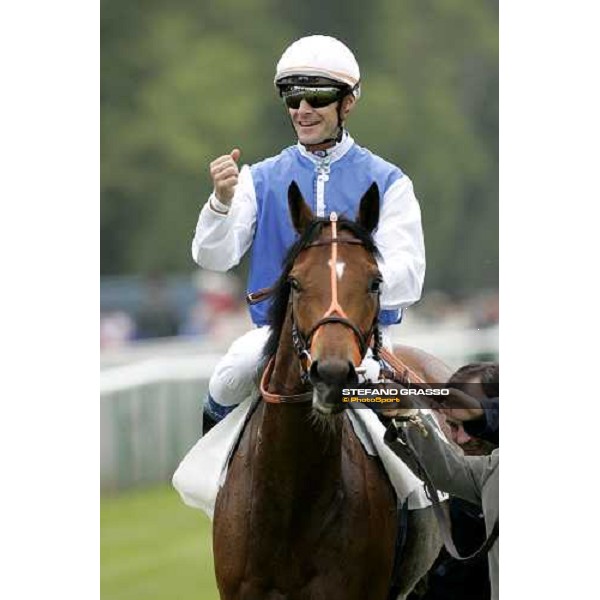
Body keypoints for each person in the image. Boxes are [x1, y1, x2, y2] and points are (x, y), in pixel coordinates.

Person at [192, 35, 426, 430]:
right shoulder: (259, 179)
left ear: (346, 103)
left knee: (402, 403)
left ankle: (418, 491)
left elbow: (410, 275)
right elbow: (213, 258)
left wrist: (342, 284)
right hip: (275, 337)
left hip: (363, 341)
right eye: (292, 97)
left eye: (316, 98)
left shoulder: (390, 182)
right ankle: (212, 482)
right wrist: (220, 202)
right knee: (230, 374)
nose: (302, 110)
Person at [384, 362, 499, 600]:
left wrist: (482, 413)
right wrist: (406, 415)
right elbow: (445, 471)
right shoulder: (490, 471)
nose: (463, 439)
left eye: (473, 422)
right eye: (454, 425)